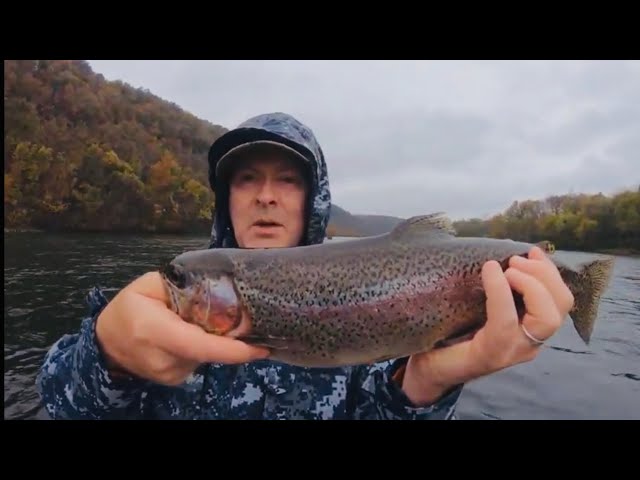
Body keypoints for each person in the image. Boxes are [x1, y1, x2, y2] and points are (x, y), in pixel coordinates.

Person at [35, 112, 575, 420]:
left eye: (287, 179)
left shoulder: (380, 319)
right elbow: (62, 407)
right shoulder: (158, 310)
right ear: (225, 197)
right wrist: (107, 358)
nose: (265, 196)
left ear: (314, 197)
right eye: (246, 179)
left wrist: (425, 385)